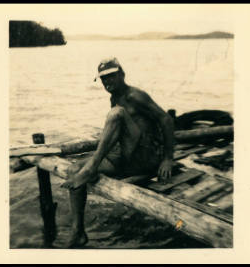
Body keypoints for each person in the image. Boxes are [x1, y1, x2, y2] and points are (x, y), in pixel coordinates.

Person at [61, 57, 175, 248]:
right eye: (104, 79)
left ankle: (92, 167)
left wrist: (168, 159)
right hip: (128, 157)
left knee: (116, 114)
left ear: (122, 74)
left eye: (111, 77)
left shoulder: (135, 96)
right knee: (75, 170)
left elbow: (166, 120)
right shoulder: (114, 98)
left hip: (147, 158)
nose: (108, 82)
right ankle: (78, 232)